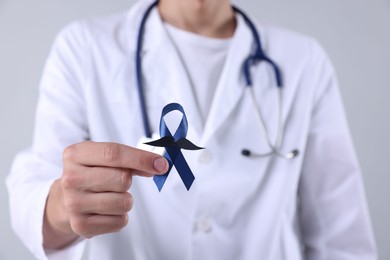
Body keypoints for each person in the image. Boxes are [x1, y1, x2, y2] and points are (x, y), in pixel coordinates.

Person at [6, 0, 377, 259]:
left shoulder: (302, 61)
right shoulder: (85, 48)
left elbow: (342, 239)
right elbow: (40, 187)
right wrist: (62, 208)